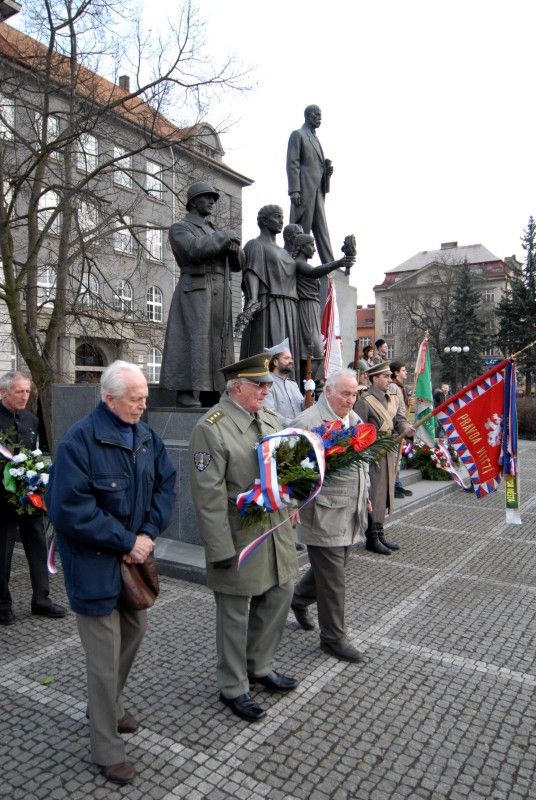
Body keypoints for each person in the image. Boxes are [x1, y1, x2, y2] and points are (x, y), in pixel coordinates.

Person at [45, 361, 176, 785]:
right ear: (109, 399)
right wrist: (125, 540)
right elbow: (69, 509)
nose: (143, 405)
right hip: (94, 564)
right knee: (103, 660)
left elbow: (166, 485)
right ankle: (106, 746)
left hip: (133, 560)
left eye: (145, 398)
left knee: (135, 629)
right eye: (136, 399)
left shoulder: (146, 437)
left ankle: (108, 704)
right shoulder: (79, 441)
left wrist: (148, 533)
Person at [189, 353, 299, 723]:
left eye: (268, 384)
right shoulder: (212, 428)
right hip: (240, 536)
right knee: (235, 613)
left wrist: (292, 500)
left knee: (279, 595)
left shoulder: (269, 418)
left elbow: (283, 469)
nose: (267, 390)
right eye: (259, 385)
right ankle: (233, 686)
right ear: (237, 387)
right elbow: (208, 497)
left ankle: (259, 665)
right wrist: (220, 550)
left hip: (275, 531)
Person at [290, 368, 369, 663]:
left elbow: (362, 464)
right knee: (334, 579)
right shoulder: (307, 422)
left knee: (330, 570)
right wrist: (291, 503)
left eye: (354, 394)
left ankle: (298, 599)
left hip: (349, 510)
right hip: (322, 514)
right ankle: (333, 638)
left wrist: (365, 495)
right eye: (345, 394)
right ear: (328, 392)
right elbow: (288, 468)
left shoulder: (353, 419)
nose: (351, 400)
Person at [160, 181, 244, 407]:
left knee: (219, 341)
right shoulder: (180, 228)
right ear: (193, 202)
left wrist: (234, 250)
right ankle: (186, 390)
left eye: (214, 198)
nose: (212, 202)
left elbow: (238, 265)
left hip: (220, 291)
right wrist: (225, 237)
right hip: (195, 290)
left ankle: (214, 390)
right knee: (194, 340)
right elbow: (194, 249)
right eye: (207, 197)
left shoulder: (215, 231)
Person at [0, 372, 66, 626]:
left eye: (27, 391)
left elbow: (36, 453)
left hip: (30, 499)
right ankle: (3, 604)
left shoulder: (31, 419)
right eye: (20, 391)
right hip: (3, 500)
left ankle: (42, 599)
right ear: (3, 392)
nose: (25, 396)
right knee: (3, 553)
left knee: (38, 546)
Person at [355, 362, 413, 555]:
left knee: (385, 494)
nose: (389, 380)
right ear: (374, 379)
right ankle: (371, 537)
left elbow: (399, 420)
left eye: (389, 376)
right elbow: (358, 430)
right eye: (385, 377)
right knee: (374, 495)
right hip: (373, 454)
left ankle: (380, 533)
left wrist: (406, 429)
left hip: (388, 451)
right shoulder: (364, 401)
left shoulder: (392, 398)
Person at [239, 205, 301, 378]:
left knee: (288, 356)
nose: (281, 221)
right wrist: (252, 300)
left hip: (290, 307)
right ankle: (265, 387)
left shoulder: (284, 251)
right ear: (264, 221)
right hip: (270, 305)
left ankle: (289, 388)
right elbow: (251, 272)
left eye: (282, 217)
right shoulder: (255, 244)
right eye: (277, 217)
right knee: (272, 351)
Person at [293, 233, 354, 382]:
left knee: (317, 350)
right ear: (301, 247)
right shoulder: (298, 263)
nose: (314, 249)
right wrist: (338, 263)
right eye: (311, 245)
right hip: (305, 307)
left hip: (313, 307)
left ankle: (312, 384)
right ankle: (307, 384)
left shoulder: (305, 264)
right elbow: (313, 272)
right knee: (313, 350)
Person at [286, 105, 334, 264]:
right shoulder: (298, 134)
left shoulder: (315, 139)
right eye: (316, 114)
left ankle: (331, 268)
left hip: (318, 191)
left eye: (321, 115)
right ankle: (294, 265)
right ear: (307, 116)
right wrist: (294, 190)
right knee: (301, 231)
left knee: (322, 231)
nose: (320, 118)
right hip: (304, 190)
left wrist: (327, 173)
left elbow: (316, 166)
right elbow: (293, 163)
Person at [263, 338, 309, 426]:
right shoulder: (267, 384)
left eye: (291, 358)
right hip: (282, 432)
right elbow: (270, 413)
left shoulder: (293, 384)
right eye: (286, 358)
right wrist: (295, 424)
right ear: (275, 362)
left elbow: (304, 407)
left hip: (300, 429)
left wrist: (309, 393)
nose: (291, 361)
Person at [388, 360, 413, 499]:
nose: (406, 372)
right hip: (396, 426)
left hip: (401, 424)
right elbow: (393, 407)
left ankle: (397, 484)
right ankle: (392, 486)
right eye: (403, 370)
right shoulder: (393, 387)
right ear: (396, 372)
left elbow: (402, 406)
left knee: (398, 458)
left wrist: (408, 402)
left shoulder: (401, 387)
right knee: (394, 459)